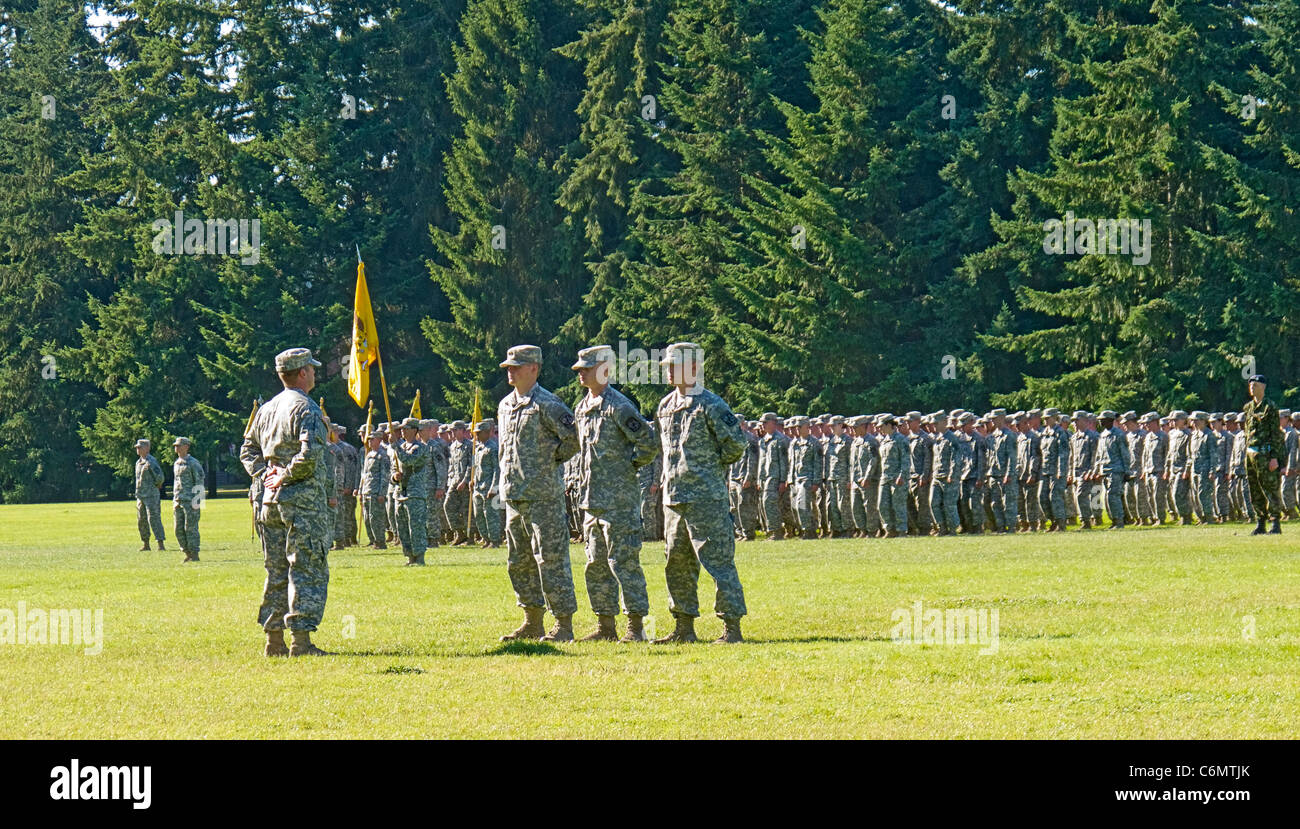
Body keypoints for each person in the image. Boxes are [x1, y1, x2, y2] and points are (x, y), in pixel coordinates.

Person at [652, 342, 748, 644]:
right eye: (667, 366)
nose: (669, 371)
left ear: (693, 368)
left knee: (718, 562)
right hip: (675, 499)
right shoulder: (665, 406)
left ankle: (731, 627)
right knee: (676, 564)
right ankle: (683, 627)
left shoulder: (711, 404)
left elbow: (736, 444)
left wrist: (707, 470)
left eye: (674, 365)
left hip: (706, 498)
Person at [239, 347, 333, 657]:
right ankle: (301, 642)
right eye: (312, 368)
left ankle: (273, 640)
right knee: (306, 567)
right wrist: (285, 474)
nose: (315, 373)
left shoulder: (266, 409)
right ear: (302, 373)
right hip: (301, 503)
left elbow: (247, 450)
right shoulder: (306, 408)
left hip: (270, 505)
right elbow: (310, 455)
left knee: (276, 570)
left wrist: (265, 474)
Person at [570, 345, 660, 642]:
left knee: (624, 562)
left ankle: (635, 627)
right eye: (580, 369)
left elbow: (648, 442)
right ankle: (605, 626)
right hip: (591, 500)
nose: (580, 373)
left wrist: (627, 467)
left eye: (586, 368)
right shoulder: (583, 407)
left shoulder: (619, 406)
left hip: (619, 501)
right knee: (595, 565)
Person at [496, 344, 581, 642]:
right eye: (508, 366)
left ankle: (563, 624)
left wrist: (549, 462)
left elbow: (573, 439)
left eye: (516, 366)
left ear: (534, 368)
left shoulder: (548, 404)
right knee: (519, 561)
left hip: (544, 495)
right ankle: (532, 620)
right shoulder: (505, 405)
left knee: (550, 559)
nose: (510, 370)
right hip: (514, 496)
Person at [1242, 374, 1284, 534]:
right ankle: (1260, 522)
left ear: (1264, 387)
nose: (1253, 387)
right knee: (1254, 489)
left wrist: (1274, 457)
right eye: (1251, 385)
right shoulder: (1248, 408)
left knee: (1270, 488)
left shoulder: (1270, 407)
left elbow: (1275, 433)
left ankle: (1275, 523)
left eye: (1256, 385)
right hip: (1251, 452)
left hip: (1265, 453)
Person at [392, 417, 431, 565]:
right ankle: (409, 556)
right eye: (401, 429)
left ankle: (419, 556)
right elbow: (394, 468)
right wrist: (394, 478)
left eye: (405, 428)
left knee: (416, 527)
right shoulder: (401, 448)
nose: (402, 431)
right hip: (401, 493)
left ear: (414, 430)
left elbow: (409, 461)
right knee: (402, 528)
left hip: (415, 493)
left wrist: (395, 446)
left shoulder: (420, 447)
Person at [171, 436, 205, 561]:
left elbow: (199, 483)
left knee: (190, 529)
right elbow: (176, 482)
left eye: (179, 445)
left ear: (186, 446)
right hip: (178, 500)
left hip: (191, 502)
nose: (176, 447)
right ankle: (186, 552)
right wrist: (174, 499)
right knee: (178, 529)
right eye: (175, 446)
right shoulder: (177, 463)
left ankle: (194, 554)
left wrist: (197, 503)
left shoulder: (193, 463)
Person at [470, 419, 502, 548]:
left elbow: (497, 469)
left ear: (487, 433)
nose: (476, 436)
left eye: (479, 433)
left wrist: (494, 488)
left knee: (490, 515)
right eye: (476, 433)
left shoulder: (493, 448)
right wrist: (471, 480)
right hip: (478, 486)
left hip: (489, 487)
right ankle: (486, 539)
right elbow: (475, 467)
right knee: (478, 515)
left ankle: (494, 540)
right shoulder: (477, 449)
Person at [133, 438, 166, 550]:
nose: (138, 449)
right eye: (137, 447)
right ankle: (146, 544)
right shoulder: (138, 462)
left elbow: (160, 477)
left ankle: (160, 544)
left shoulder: (151, 461)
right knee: (141, 520)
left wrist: (157, 485)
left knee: (154, 519)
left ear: (147, 448)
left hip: (151, 495)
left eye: (140, 447)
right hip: (141, 496)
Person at [359, 427, 389, 549]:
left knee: (376, 518)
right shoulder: (369, 454)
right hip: (367, 490)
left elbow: (385, 475)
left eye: (372, 439)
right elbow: (364, 474)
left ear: (379, 440)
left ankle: (380, 541)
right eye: (369, 439)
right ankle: (373, 540)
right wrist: (361, 491)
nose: (369, 442)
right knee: (367, 518)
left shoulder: (383, 455)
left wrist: (382, 493)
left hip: (376, 491)